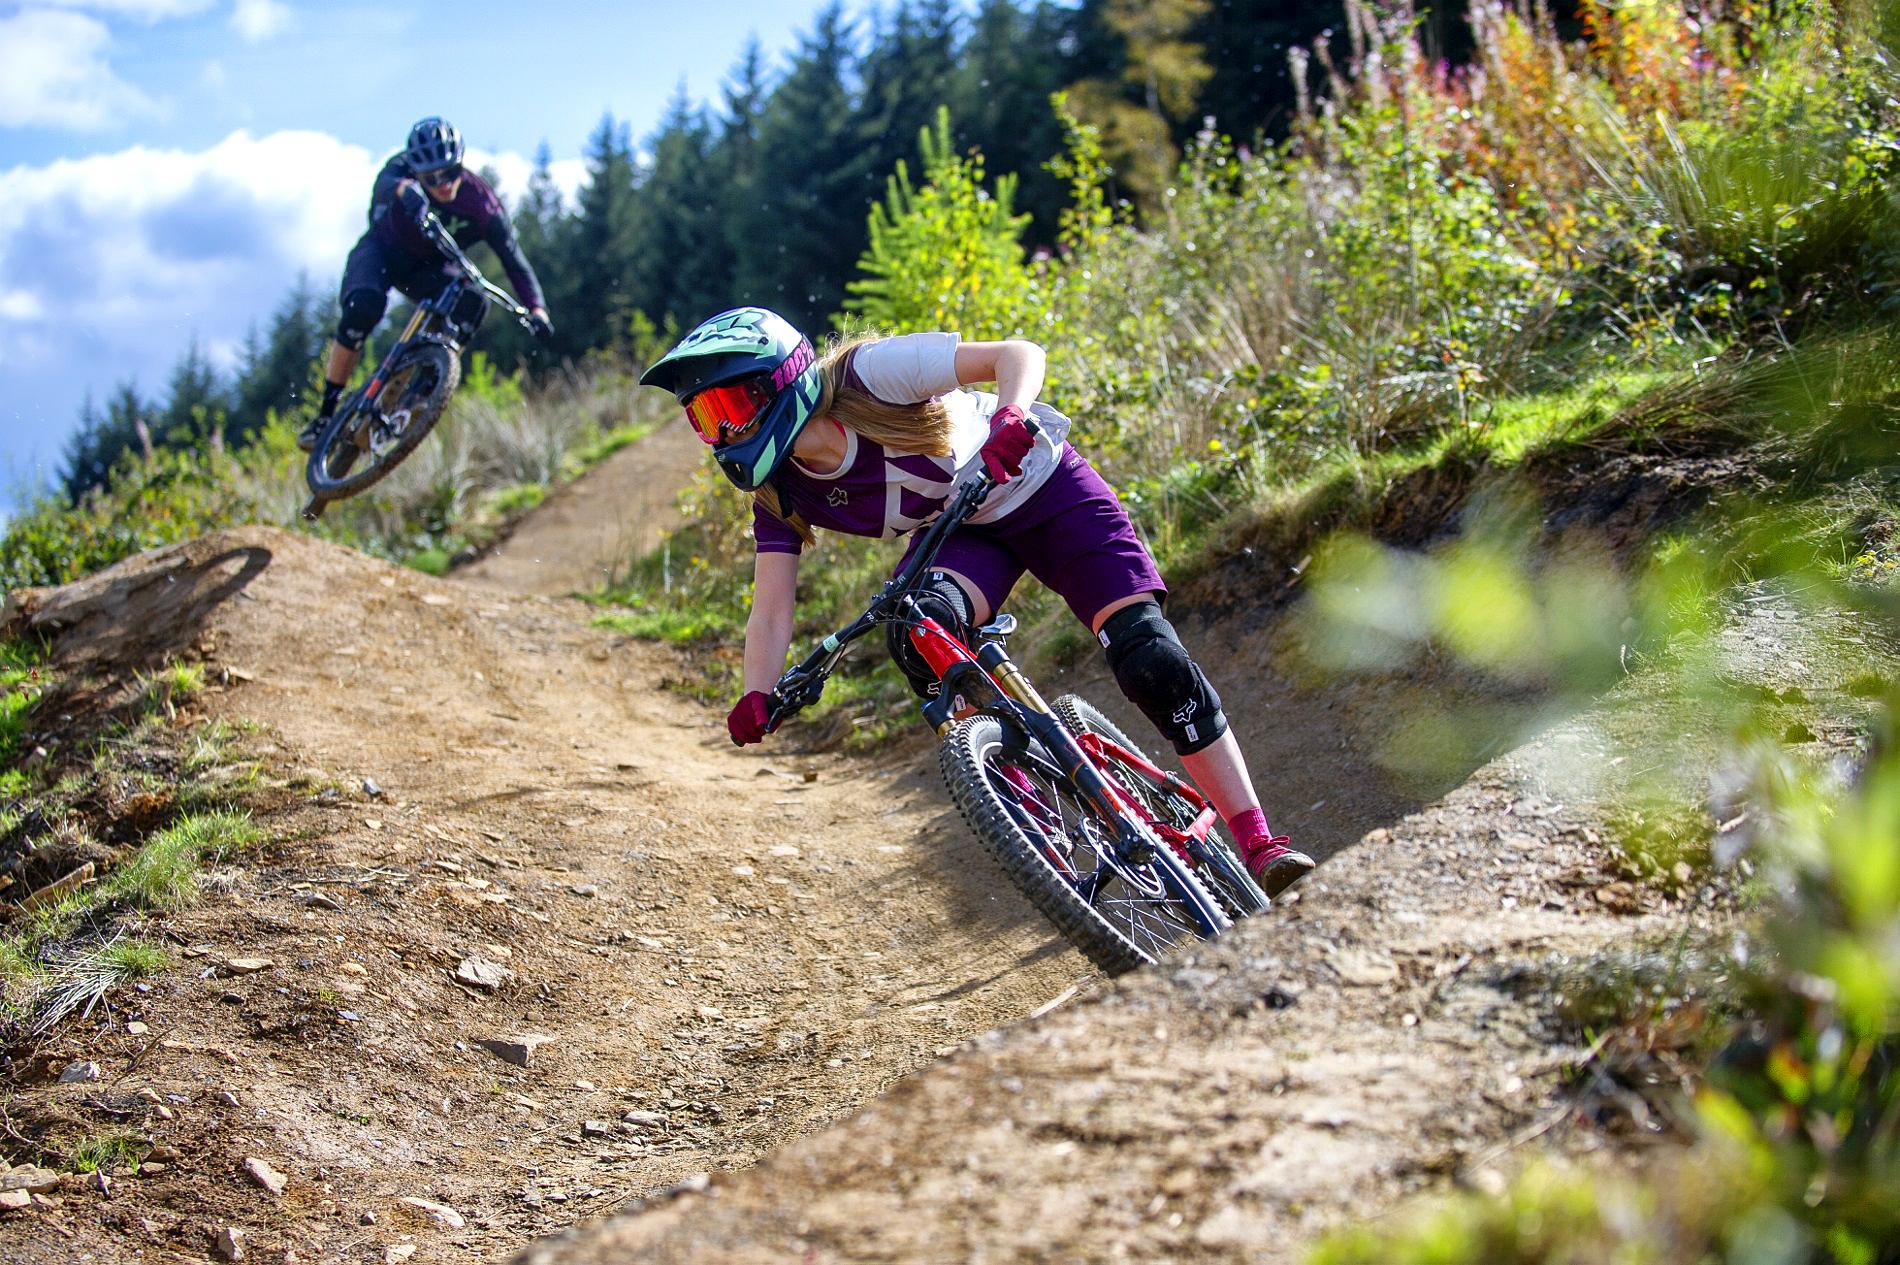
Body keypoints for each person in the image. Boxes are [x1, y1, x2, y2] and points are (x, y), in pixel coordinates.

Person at [640, 308, 1315, 897]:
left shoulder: (871, 376)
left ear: (778, 382)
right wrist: (759, 692)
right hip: (962, 533)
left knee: (1149, 658)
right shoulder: (779, 493)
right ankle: (1023, 803)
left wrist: (1013, 414)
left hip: (1045, 488)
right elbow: (771, 608)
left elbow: (1017, 355)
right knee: (914, 627)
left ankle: (1259, 843)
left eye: (726, 410)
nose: (721, 436)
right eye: (704, 420)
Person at [299, 117, 552, 451]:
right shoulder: (401, 170)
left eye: (449, 173)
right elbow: (386, 181)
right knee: (363, 309)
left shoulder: (481, 203)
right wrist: (406, 190)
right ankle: (325, 414)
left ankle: (422, 389)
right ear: (417, 170)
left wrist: (537, 308)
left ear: (460, 165)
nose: (442, 184)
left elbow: (513, 260)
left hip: (428, 268)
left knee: (474, 302)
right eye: (431, 178)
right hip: (380, 252)